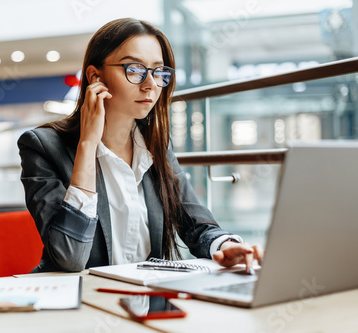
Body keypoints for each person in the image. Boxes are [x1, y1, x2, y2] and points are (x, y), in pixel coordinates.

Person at [18, 18, 263, 273]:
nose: (150, 84)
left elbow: (196, 224)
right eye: (134, 69)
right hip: (82, 300)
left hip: (145, 298)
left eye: (159, 71)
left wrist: (226, 246)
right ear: (95, 76)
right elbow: (69, 258)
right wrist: (87, 146)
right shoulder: (42, 146)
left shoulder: (155, 143)